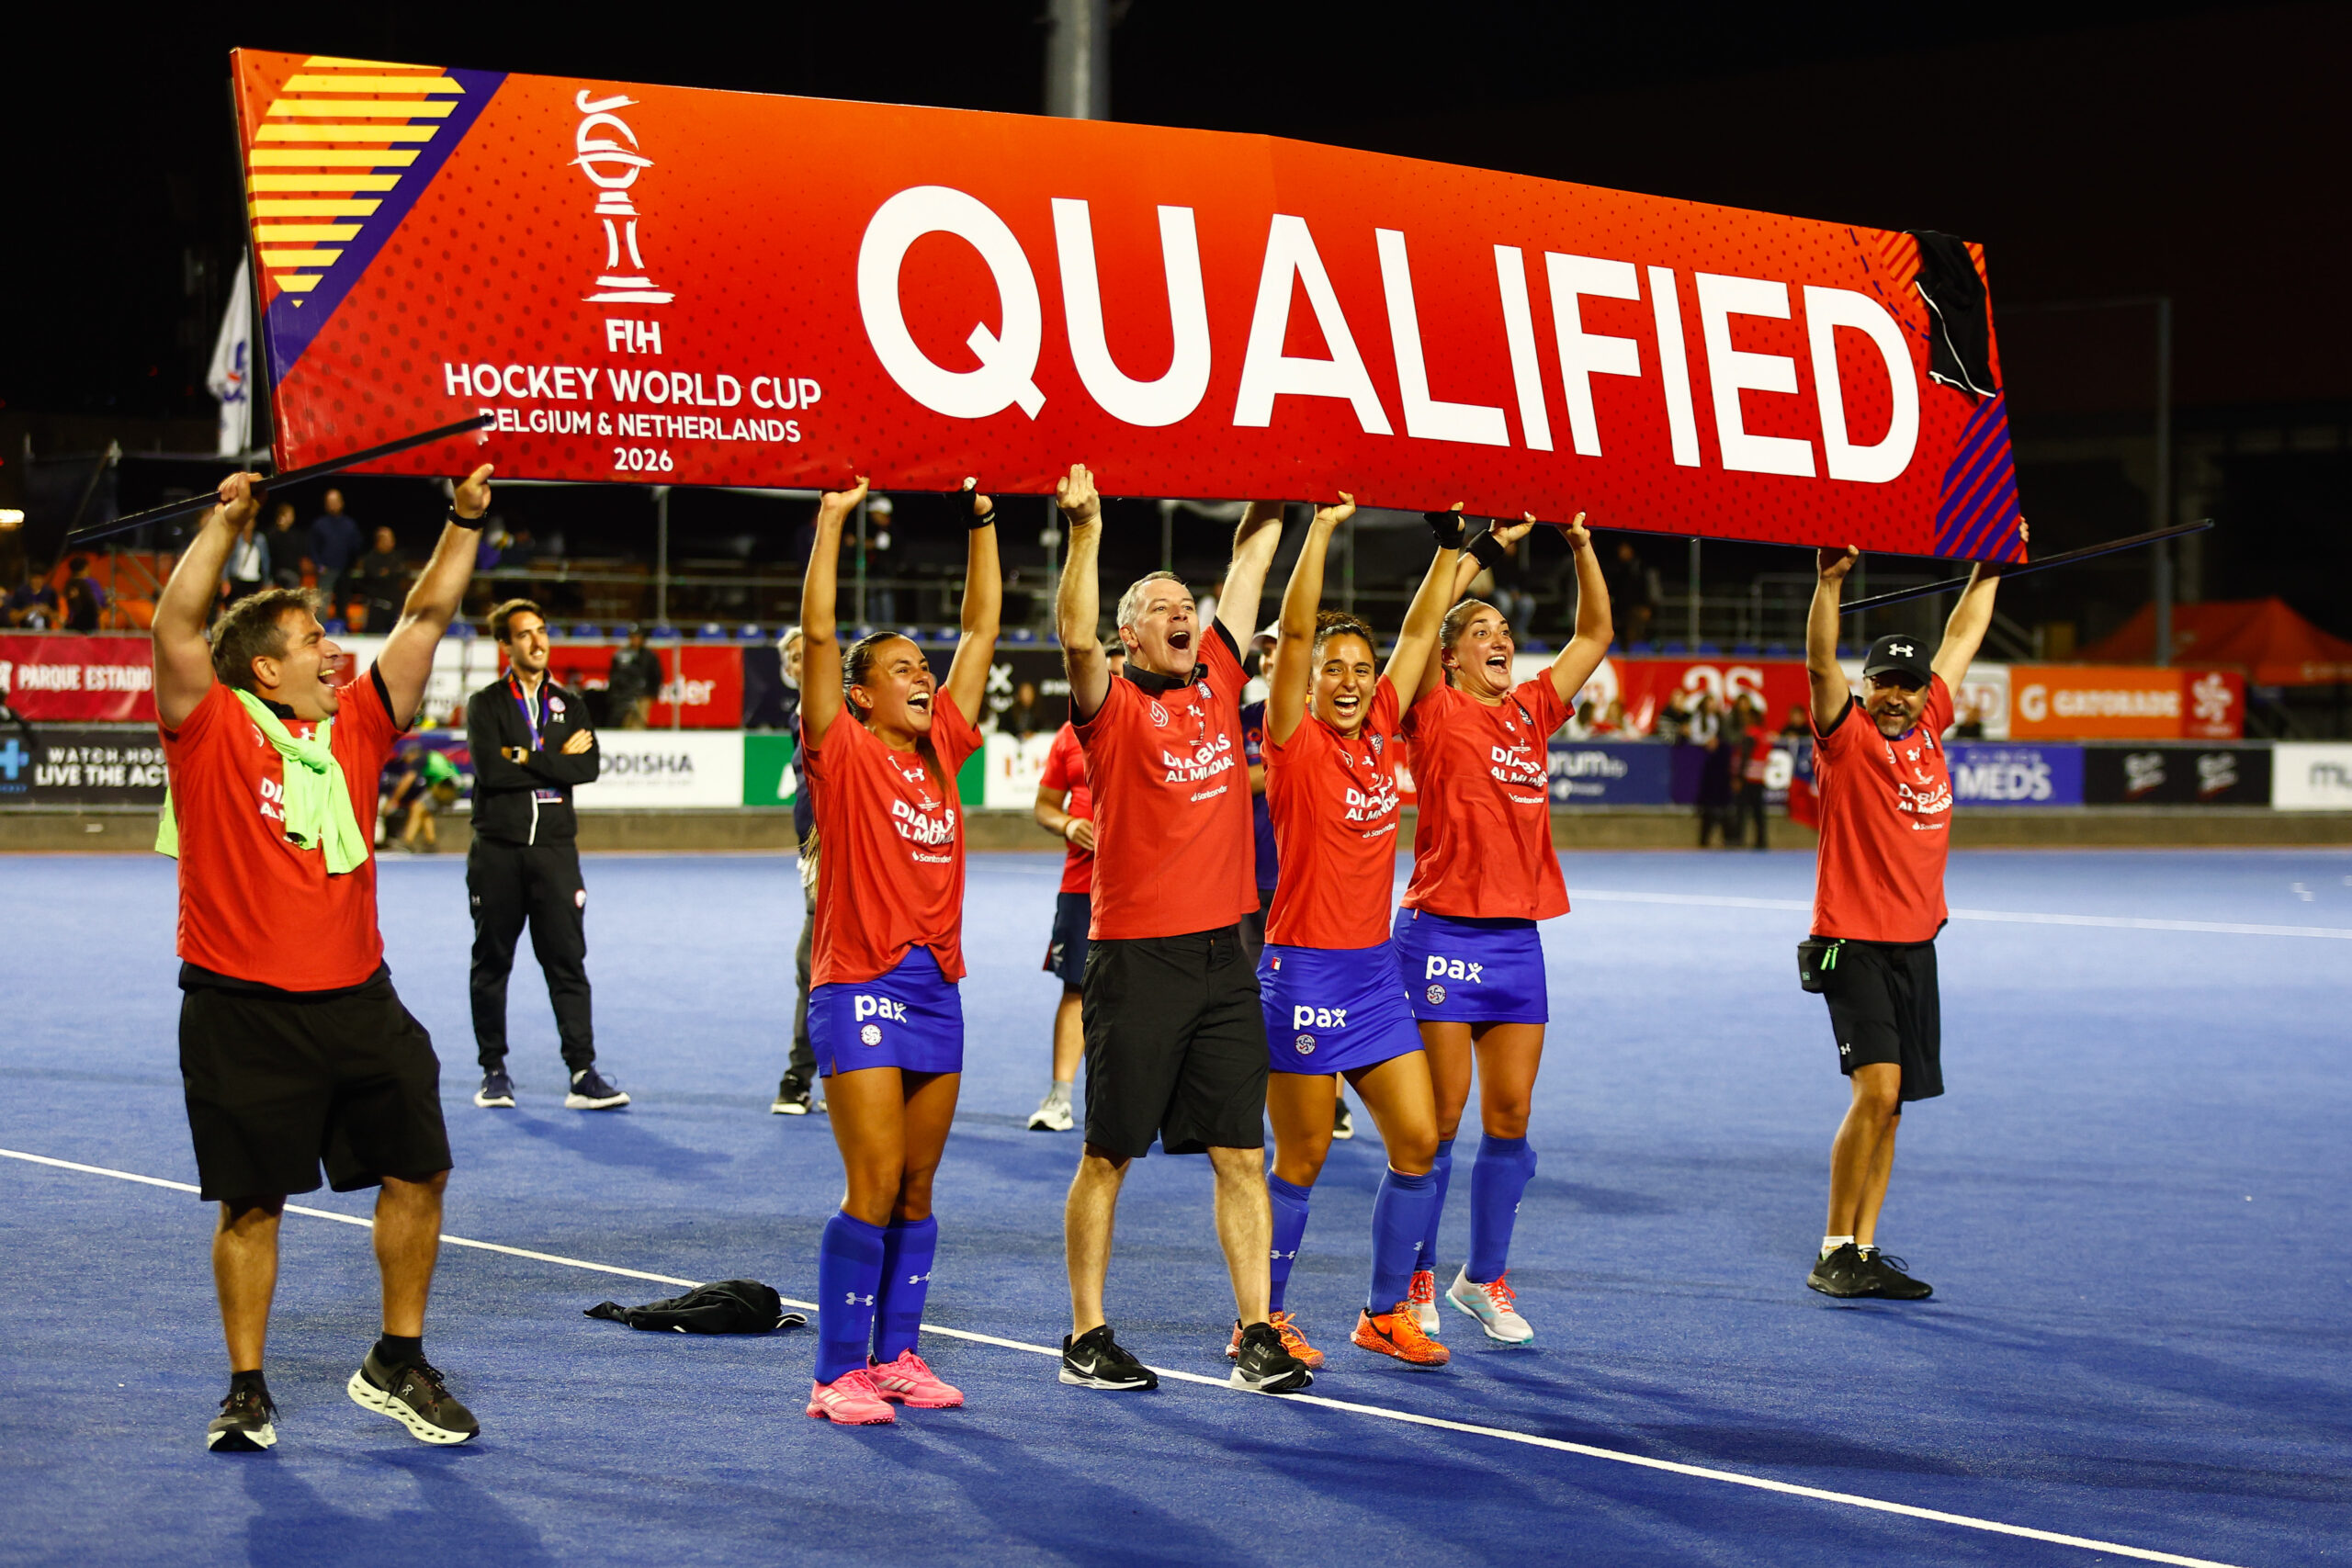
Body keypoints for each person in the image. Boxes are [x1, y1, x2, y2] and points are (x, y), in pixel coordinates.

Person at [152, 463, 493, 1454]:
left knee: (420, 1168)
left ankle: (397, 1360)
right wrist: (225, 525)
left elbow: (425, 617)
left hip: (357, 1000)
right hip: (240, 1007)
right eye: (312, 640)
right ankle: (247, 1388)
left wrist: (463, 519)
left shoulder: (358, 728)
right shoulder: (210, 726)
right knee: (251, 1205)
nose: (335, 650)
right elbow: (174, 628)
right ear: (265, 670)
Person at [1052, 464, 1311, 1396]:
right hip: (1137, 960)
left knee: (1244, 1153)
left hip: (1225, 955)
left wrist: (1281, 474)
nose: (1183, 614)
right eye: (1162, 607)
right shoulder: (1109, 709)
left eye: (1186, 606)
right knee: (1108, 1154)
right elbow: (1072, 635)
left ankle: (1256, 1334)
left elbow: (1250, 559)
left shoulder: (1221, 678)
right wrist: (1086, 532)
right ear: (1131, 633)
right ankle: (1086, 1336)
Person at [797, 476, 999, 1425]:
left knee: (918, 1186)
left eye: (926, 666)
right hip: (859, 984)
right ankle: (834, 1373)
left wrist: (983, 521)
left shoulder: (939, 748)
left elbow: (982, 628)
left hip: (934, 989)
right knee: (873, 1182)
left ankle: (896, 1357)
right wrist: (833, 520)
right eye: (903, 669)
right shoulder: (841, 750)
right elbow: (820, 636)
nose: (924, 677)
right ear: (861, 693)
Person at [1393, 509, 1612, 1345]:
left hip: (1518, 941)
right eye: (1480, 630)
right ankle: (1416, 1273)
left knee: (1511, 1118)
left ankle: (1481, 1278)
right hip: (1442, 935)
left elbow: (1596, 633)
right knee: (1441, 1122)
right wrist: (1470, 554)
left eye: (1504, 630)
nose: (1499, 638)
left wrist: (1581, 546)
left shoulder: (1530, 708)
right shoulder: (1433, 706)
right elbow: (1422, 625)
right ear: (1451, 654)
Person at [1256, 494, 1462, 1371]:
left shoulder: (1381, 724)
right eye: (1330, 669)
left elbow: (1418, 635)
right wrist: (1323, 530)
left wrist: (1449, 551)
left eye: (1359, 669)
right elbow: (1298, 630)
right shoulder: (1292, 739)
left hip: (1375, 976)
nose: (1346, 681)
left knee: (1418, 1142)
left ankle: (1382, 1313)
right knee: (1300, 1157)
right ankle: (1262, 1317)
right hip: (1303, 974)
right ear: (1304, 681)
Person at [1802, 532, 2018, 1302]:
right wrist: (1830, 585)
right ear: (1865, 688)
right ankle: (1833, 1249)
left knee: (1894, 1108)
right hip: (1852, 942)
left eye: (1910, 685)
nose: (1897, 696)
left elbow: (1962, 634)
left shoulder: (1929, 729)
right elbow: (1819, 664)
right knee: (1875, 1090)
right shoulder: (1847, 736)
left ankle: (1863, 1248)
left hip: (1916, 946)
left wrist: (1989, 566)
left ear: (1928, 695)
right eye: (1885, 683)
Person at [462, 600, 622, 1111]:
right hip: (498, 853)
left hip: (555, 854)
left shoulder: (569, 705)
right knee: (492, 963)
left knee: (567, 963)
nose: (537, 641)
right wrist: (554, 760)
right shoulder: (485, 704)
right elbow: (491, 771)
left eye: (542, 631)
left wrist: (525, 756)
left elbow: (588, 768)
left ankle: (582, 1072)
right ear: (505, 646)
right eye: (524, 634)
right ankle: (494, 1071)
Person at [1029, 648, 1125, 1132]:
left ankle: (1140, 1102)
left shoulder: (1156, 727)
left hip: (1143, 886)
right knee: (1077, 987)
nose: (1115, 681)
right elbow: (1044, 805)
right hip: (1081, 885)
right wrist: (1068, 824)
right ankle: (1060, 1098)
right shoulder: (1069, 734)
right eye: (1108, 673)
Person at [772, 626, 823, 1116]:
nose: (798, 661)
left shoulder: (847, 711)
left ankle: (798, 1078)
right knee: (815, 967)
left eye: (805, 651)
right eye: (791, 656)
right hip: (814, 861)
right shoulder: (799, 716)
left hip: (846, 860)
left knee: (813, 965)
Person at [383, 739, 459, 853]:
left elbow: (407, 780)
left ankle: (407, 842)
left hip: (444, 787)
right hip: (453, 787)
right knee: (425, 811)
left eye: (406, 758)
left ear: (412, 754)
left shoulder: (419, 760)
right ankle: (431, 842)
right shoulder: (431, 756)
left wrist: (393, 799)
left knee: (417, 807)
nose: (406, 762)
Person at [308, 490, 362, 615]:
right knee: (322, 604)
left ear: (341, 503)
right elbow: (312, 548)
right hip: (326, 571)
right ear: (326, 505)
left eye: (335, 501)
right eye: (330, 502)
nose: (333, 505)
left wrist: (353, 564)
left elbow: (356, 547)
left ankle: (342, 625)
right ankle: (322, 626)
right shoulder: (319, 524)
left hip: (345, 570)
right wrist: (319, 566)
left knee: (343, 603)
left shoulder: (350, 524)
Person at [346, 528, 407, 633]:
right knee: (373, 635)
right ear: (379, 541)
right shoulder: (370, 559)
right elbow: (376, 576)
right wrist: (390, 573)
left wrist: (388, 572)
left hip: (395, 606)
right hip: (376, 606)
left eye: (392, 539)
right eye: (387, 540)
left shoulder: (397, 558)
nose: (391, 542)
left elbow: (404, 572)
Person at [606, 625, 663, 729]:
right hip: (624, 695)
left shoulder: (649, 656)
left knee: (639, 724)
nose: (635, 639)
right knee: (625, 723)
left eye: (637, 637)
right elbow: (614, 674)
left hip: (643, 695)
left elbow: (656, 675)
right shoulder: (622, 654)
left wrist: (651, 693)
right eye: (632, 637)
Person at [1606, 539, 1657, 648]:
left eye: (1624, 550)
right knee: (1617, 637)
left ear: (1631, 551)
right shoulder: (1616, 568)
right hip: (1619, 609)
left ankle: (1636, 654)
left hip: (1637, 608)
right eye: (1620, 550)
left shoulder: (1640, 567)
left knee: (1635, 637)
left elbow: (1648, 588)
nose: (1622, 552)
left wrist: (1648, 606)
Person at [221, 513, 270, 606]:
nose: (248, 524)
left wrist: (267, 581)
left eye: (251, 521)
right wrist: (225, 579)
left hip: (254, 581)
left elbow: (265, 561)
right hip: (238, 580)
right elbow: (228, 560)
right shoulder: (236, 539)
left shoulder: (260, 539)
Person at [267, 502, 312, 592]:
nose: (292, 517)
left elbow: (300, 553)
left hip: (294, 571)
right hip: (279, 571)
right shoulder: (273, 534)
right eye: (289, 515)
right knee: (292, 580)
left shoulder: (295, 535)